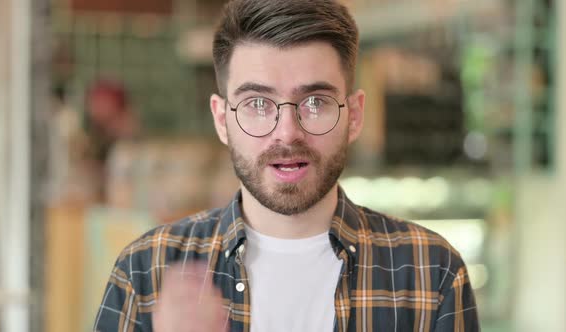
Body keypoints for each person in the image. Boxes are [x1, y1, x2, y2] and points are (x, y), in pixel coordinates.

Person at [93, 0, 479, 331]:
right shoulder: (146, 271)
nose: (288, 133)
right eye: (258, 105)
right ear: (222, 119)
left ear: (355, 115)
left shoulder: (431, 273)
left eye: (315, 103)